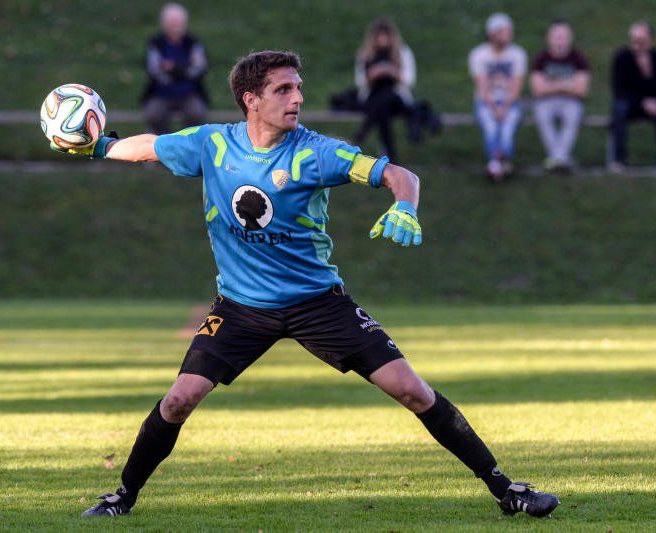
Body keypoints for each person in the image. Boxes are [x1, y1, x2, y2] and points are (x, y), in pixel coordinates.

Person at [52, 50, 559, 520]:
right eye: (283, 89)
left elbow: (400, 175)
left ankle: (506, 490)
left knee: (412, 390)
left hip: (318, 304)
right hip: (241, 308)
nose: (297, 98)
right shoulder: (212, 144)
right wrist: (101, 147)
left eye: (298, 88)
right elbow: (149, 148)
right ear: (251, 99)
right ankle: (122, 497)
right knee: (177, 401)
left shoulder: (317, 153)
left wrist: (404, 206)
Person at [609, 21, 656, 175]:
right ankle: (618, 160)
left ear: (651, 40)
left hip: (653, 103)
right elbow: (619, 90)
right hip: (629, 103)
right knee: (618, 109)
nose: (637, 46)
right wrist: (642, 101)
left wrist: (647, 72)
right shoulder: (621, 58)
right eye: (634, 41)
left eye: (641, 41)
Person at [468, 13, 527, 182]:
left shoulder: (517, 54)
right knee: (491, 127)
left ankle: (496, 164)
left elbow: (516, 85)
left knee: (507, 128)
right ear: (493, 33)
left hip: (510, 102)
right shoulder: (479, 54)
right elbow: (482, 86)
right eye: (504, 31)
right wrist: (494, 107)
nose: (508, 34)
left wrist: (505, 106)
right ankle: (501, 164)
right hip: (486, 102)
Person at [352, 18, 419, 162]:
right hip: (373, 96)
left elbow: (409, 80)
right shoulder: (366, 54)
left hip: (395, 98)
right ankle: (390, 156)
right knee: (382, 104)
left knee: (383, 101)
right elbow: (360, 81)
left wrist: (393, 73)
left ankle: (365, 131)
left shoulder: (402, 52)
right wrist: (372, 75)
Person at [530, 20, 590, 172]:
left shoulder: (579, 59)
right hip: (546, 101)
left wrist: (551, 84)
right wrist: (566, 84)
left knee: (573, 115)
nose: (560, 40)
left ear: (570, 38)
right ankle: (561, 159)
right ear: (549, 38)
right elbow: (538, 90)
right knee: (542, 114)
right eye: (557, 36)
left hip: (571, 101)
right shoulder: (541, 59)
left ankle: (555, 159)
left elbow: (581, 90)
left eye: (563, 36)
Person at [141, 3, 209, 134]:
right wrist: (182, 70)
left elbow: (199, 68)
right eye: (171, 23)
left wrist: (173, 69)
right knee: (153, 114)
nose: (175, 27)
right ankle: (163, 141)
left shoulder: (193, 43)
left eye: (178, 23)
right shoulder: (156, 43)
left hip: (189, 93)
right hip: (161, 93)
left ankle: (189, 141)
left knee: (196, 112)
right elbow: (154, 70)